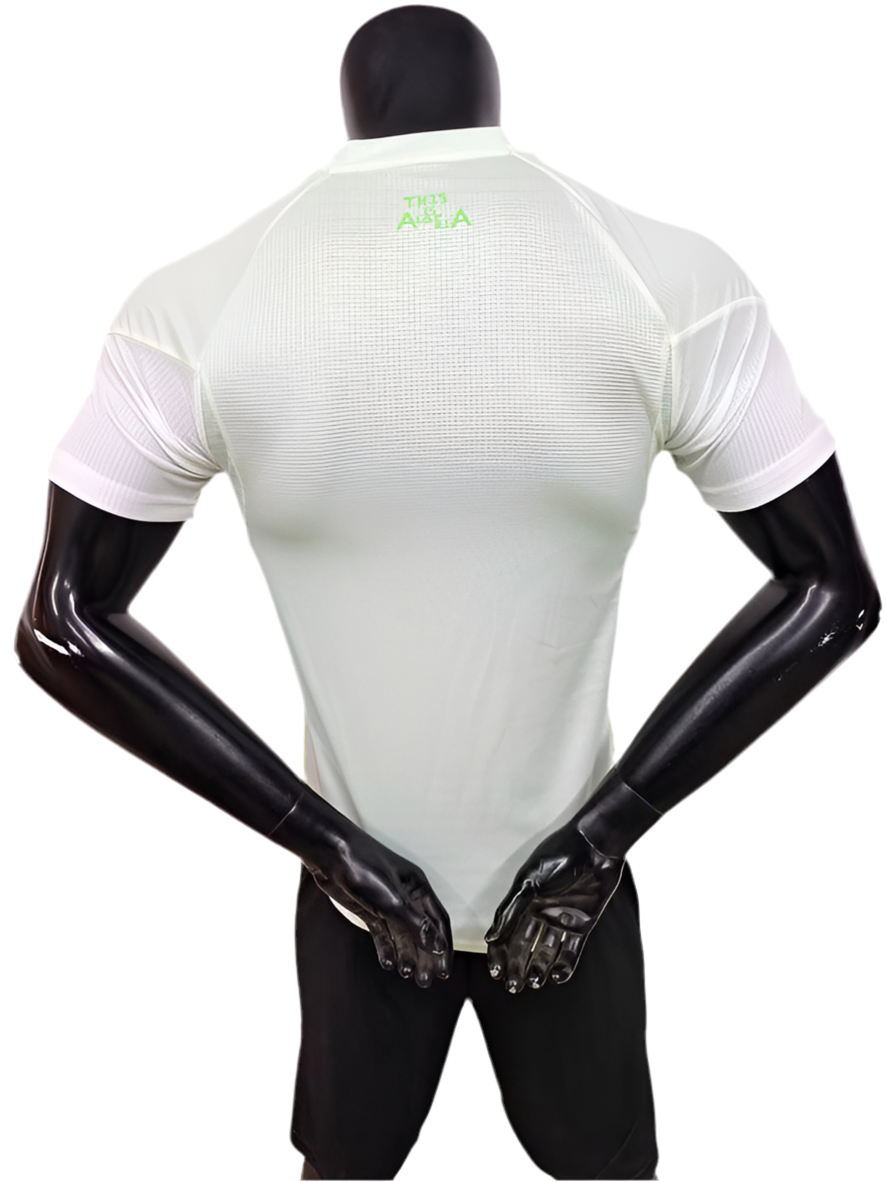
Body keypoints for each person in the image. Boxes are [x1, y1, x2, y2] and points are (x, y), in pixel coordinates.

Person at [14, 5, 879, 1180]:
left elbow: (62, 624)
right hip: (546, 888)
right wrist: (597, 837)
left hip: (396, 890)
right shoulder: (663, 278)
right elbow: (830, 589)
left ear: (353, 100)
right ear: (488, 91)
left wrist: (329, 845)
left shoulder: (201, 304)